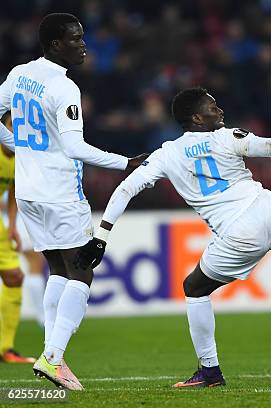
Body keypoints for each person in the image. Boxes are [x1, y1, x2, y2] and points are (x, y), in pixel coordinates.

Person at [74, 87, 271, 388]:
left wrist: (101, 236)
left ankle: (210, 372)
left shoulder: (166, 154)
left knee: (195, 287)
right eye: (213, 108)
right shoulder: (228, 137)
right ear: (197, 117)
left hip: (240, 231)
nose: (221, 112)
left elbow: (125, 189)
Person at [0, 13, 147, 389]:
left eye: (82, 37)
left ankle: (52, 354)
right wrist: (125, 163)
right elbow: (74, 147)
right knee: (82, 270)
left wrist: (20, 146)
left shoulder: (20, 74)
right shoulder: (64, 88)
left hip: (28, 192)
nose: (83, 44)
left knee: (59, 271)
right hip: (60, 192)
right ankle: (53, 358)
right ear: (54, 44)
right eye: (75, 39)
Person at [0, 112, 35, 364]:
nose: (17, 130)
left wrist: (12, 226)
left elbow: (14, 191)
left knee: (15, 277)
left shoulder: (20, 157)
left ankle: (5, 349)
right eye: (13, 125)